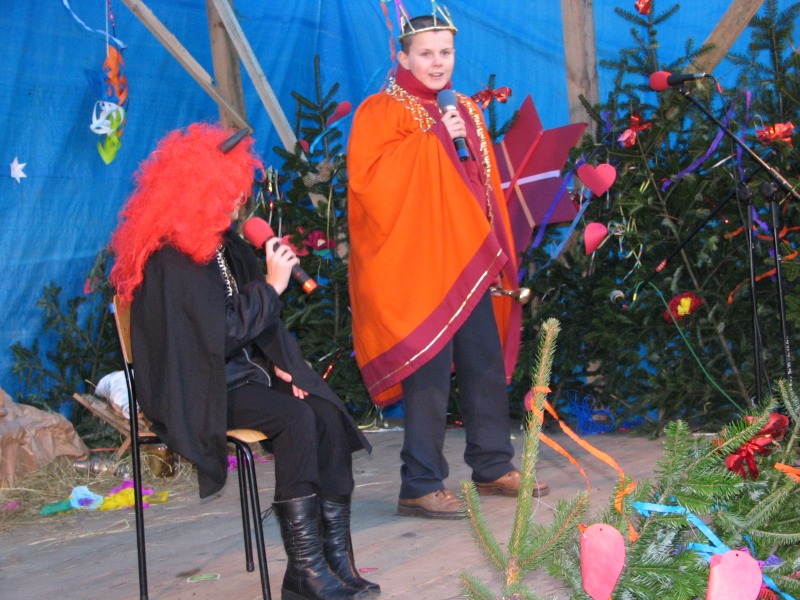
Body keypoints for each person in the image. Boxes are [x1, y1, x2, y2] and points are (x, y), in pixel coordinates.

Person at [109, 123, 379, 599]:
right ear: (199, 191)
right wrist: (273, 285)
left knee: (325, 410)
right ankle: (304, 570)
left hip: (243, 376)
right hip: (198, 388)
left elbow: (260, 325)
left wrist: (284, 365)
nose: (240, 200)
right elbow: (219, 336)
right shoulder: (171, 260)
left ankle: (336, 556)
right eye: (229, 190)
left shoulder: (226, 246)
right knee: (296, 419)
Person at [347, 6, 549, 520]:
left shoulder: (467, 111)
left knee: (484, 363)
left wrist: (493, 244)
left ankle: (491, 464)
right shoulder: (380, 112)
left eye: (446, 52)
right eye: (426, 54)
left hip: (468, 260)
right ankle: (419, 484)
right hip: (417, 266)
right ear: (403, 58)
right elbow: (371, 184)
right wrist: (433, 140)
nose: (437, 63)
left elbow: (482, 184)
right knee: (429, 373)